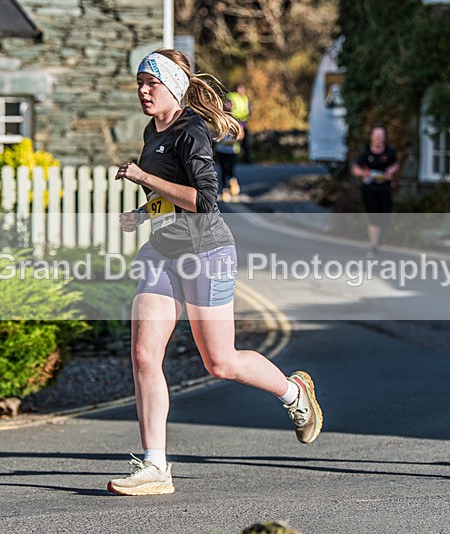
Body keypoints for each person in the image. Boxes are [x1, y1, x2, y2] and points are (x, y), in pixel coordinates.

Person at [108, 49, 324, 496]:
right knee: (145, 353)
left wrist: (144, 179)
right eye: (139, 84)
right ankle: (155, 466)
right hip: (163, 252)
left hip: (206, 252)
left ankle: (292, 392)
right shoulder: (154, 131)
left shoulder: (193, 132)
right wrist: (143, 214)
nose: (143, 91)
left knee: (220, 362)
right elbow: (173, 196)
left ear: (173, 86)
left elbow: (206, 202)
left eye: (151, 83)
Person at [350, 126, 399, 258]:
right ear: (372, 137)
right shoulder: (366, 153)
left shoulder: (389, 152)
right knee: (374, 217)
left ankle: (380, 240)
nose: (378, 138)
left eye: (381, 135)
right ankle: (374, 246)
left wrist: (390, 171)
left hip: (384, 188)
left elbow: (395, 165)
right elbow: (355, 169)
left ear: (384, 138)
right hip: (369, 189)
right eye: (376, 135)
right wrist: (363, 173)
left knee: (384, 215)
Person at [213, 122, 244, 202]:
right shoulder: (220, 123)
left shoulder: (236, 124)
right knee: (223, 170)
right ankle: (225, 190)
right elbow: (214, 136)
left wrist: (237, 139)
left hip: (232, 151)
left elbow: (241, 135)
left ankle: (232, 186)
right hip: (222, 151)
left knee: (231, 170)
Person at [225, 82, 251, 174]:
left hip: (243, 122)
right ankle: (232, 159)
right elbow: (228, 107)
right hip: (235, 122)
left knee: (245, 142)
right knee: (235, 141)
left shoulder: (244, 97)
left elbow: (248, 109)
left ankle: (245, 159)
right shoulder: (232, 96)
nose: (242, 90)